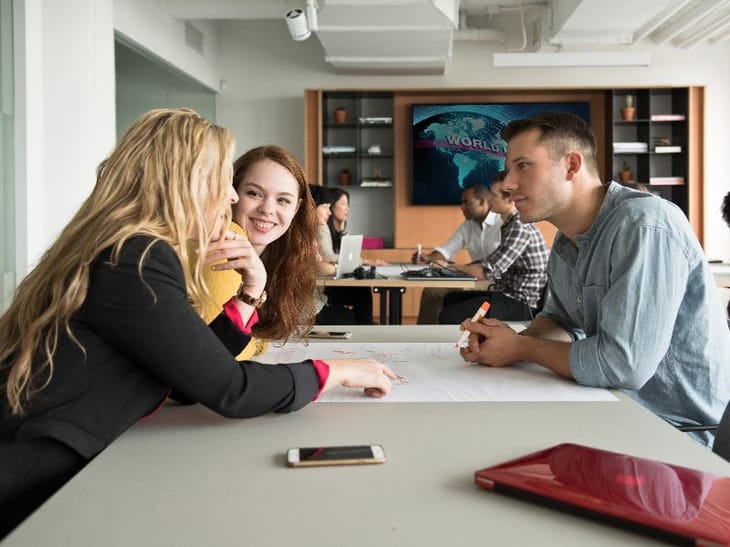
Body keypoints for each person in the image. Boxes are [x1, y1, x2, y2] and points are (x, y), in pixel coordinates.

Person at [0, 109, 396, 537]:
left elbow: (190, 377)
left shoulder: (127, 248)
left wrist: (249, 293)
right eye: (224, 181)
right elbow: (231, 390)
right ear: (181, 180)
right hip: (35, 480)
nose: (230, 198)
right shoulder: (136, 260)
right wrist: (338, 371)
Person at [458, 111, 730, 445]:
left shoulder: (643, 224)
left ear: (571, 166)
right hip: (611, 407)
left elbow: (623, 366)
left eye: (523, 166)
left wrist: (522, 347)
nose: (509, 183)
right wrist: (508, 342)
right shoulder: (565, 239)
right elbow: (559, 321)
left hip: (674, 431)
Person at [201, 145, 321, 358]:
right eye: (254, 193)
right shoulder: (225, 238)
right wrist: (259, 344)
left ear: (297, 208)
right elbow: (220, 352)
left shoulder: (281, 251)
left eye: (283, 200)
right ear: (233, 194)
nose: (267, 209)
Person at [438, 172, 550, 323]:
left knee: (449, 315)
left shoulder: (519, 227)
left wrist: (456, 267)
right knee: (450, 299)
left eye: (494, 195)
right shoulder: (510, 225)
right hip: (508, 295)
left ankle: (457, 346)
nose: (489, 199)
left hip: (521, 304)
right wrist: (455, 267)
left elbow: (487, 271)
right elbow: (490, 261)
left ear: (509, 199)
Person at [415, 183, 503, 324]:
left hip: (494, 281)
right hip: (474, 278)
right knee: (431, 292)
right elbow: (447, 250)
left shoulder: (503, 222)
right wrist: (427, 258)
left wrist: (455, 267)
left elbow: (493, 267)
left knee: (439, 295)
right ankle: (424, 340)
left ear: (482, 202)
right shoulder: (468, 224)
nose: (462, 207)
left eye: (466, 202)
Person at [309, 185, 374, 324]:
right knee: (356, 311)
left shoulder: (316, 228)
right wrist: (345, 265)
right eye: (326, 207)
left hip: (317, 296)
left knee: (361, 293)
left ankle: (367, 328)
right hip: (312, 303)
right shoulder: (318, 229)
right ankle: (366, 329)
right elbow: (324, 261)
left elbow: (328, 259)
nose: (329, 212)